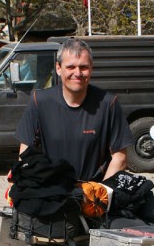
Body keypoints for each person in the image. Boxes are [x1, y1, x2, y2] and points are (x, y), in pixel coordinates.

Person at [15, 37, 132, 182]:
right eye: (70, 67)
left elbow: (120, 157)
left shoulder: (108, 104)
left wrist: (101, 193)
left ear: (91, 69)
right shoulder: (39, 102)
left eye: (83, 67)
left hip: (94, 194)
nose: (77, 73)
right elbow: (25, 153)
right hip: (52, 193)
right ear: (58, 68)